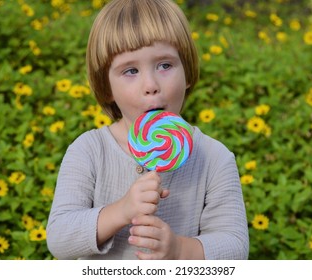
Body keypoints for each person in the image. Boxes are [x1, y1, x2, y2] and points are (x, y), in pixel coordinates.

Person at [46, 0, 249, 260]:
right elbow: (59, 238)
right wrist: (122, 210)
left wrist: (180, 250)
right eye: (130, 70)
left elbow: (235, 246)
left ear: (187, 72)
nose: (151, 85)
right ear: (106, 87)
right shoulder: (89, 151)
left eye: (165, 65)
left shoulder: (213, 157)